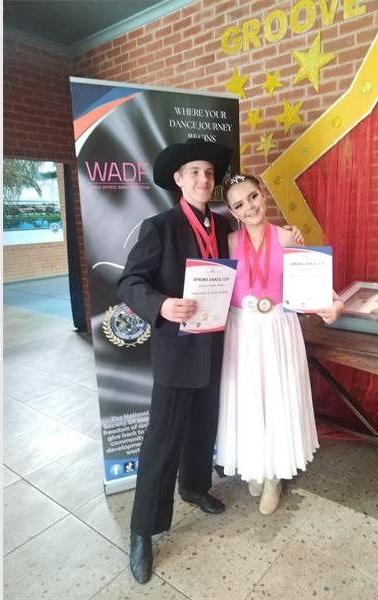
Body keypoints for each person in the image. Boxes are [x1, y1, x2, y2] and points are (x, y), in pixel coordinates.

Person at [116, 138, 234, 584]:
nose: (204, 179)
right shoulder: (159, 227)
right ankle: (142, 530)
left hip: (215, 343)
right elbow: (130, 282)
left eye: (209, 173)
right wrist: (162, 305)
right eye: (195, 173)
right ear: (179, 180)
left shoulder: (223, 225)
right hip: (176, 348)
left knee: (203, 426)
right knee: (162, 440)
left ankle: (195, 487)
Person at [215, 173, 345, 516]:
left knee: (276, 397)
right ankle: (254, 466)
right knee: (248, 399)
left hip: (278, 329)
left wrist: (335, 306)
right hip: (241, 331)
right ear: (232, 212)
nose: (249, 207)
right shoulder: (227, 243)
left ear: (263, 195)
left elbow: (319, 286)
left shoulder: (288, 237)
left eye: (253, 197)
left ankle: (273, 475)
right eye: (239, 204)